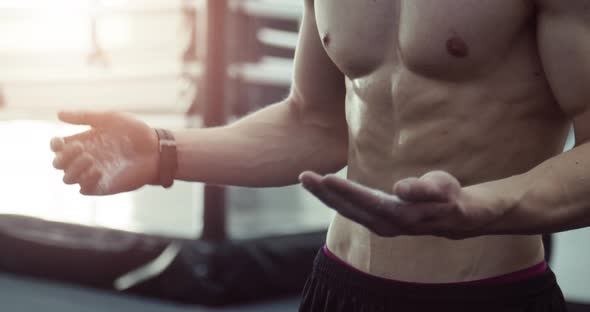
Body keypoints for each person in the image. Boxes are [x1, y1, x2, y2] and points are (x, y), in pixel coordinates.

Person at [51, 0, 590, 310]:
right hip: (339, 285)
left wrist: (481, 207)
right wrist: (165, 152)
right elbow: (312, 123)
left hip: (484, 297)